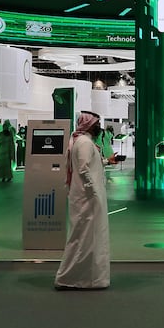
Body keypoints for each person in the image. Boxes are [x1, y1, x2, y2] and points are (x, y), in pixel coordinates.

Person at [55, 111, 112, 290]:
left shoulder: (81, 141)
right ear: (89, 125)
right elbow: (83, 170)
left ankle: (86, 278)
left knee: (87, 238)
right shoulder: (85, 143)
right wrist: (94, 193)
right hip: (87, 199)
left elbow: (89, 165)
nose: (99, 128)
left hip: (85, 197)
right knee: (83, 238)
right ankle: (69, 278)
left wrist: (107, 162)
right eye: (96, 124)